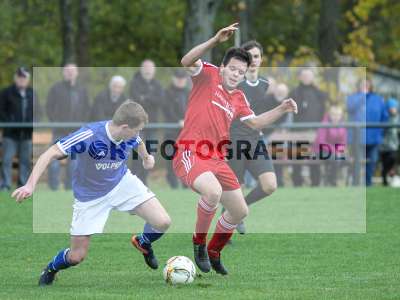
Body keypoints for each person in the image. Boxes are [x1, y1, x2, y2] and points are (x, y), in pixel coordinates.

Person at [173, 23, 297, 275]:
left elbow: (256, 123)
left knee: (240, 210)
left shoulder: (239, 98)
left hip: (217, 159)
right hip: (191, 151)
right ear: (223, 67)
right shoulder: (207, 75)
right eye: (232, 69)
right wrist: (215, 40)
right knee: (213, 192)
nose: (236, 74)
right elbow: (186, 60)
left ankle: (214, 251)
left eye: (241, 72)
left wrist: (282, 109)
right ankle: (199, 243)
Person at [12, 100, 171, 286]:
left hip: (121, 183)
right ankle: (51, 268)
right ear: (125, 126)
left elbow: (139, 142)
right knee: (76, 257)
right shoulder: (89, 135)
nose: (138, 134)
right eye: (137, 130)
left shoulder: (129, 135)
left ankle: (143, 242)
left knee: (163, 222)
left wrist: (146, 158)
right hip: (90, 197)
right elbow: (50, 153)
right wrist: (30, 185)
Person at [226, 40, 277, 234]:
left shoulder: (265, 84)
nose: (253, 60)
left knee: (269, 185)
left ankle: (239, 210)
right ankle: (226, 226)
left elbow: (264, 114)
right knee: (234, 190)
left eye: (256, 56)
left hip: (256, 141)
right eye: (249, 56)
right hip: (234, 141)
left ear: (261, 59)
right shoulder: (235, 83)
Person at [46, 63, 90, 190]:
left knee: (75, 163)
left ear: (77, 73)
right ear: (63, 73)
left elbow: (87, 109)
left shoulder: (82, 90)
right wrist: (55, 121)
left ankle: (70, 188)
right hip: (59, 132)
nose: (70, 73)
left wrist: (82, 126)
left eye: (72, 71)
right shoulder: (56, 88)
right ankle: (53, 188)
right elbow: (49, 108)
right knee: (54, 161)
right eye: (67, 71)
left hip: (76, 134)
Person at [0, 67, 41, 191]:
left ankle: (23, 185)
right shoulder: (6, 92)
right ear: (15, 78)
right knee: (7, 160)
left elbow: (38, 112)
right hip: (10, 134)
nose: (21, 79)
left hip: (27, 135)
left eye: (24, 77)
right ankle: (6, 185)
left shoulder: (32, 93)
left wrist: (33, 123)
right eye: (19, 77)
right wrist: (11, 122)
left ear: (28, 79)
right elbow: (1, 111)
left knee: (25, 161)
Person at [289, 68, 328, 186]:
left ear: (313, 78)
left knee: (314, 159)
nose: (306, 78)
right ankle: (297, 184)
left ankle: (315, 184)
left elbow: (324, 112)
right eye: (304, 76)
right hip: (298, 132)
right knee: (297, 160)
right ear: (300, 77)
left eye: (309, 76)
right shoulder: (294, 93)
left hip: (315, 132)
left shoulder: (319, 93)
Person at [129, 59, 164, 185]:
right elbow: (137, 99)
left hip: (152, 125)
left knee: (150, 153)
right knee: (137, 152)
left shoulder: (157, 85)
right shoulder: (135, 83)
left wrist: (145, 97)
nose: (148, 70)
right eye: (146, 67)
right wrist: (149, 99)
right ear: (141, 69)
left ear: (154, 70)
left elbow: (160, 100)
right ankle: (134, 180)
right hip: (137, 125)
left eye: (150, 68)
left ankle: (144, 181)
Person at [347, 79, 388, 186]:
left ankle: (368, 184)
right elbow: (350, 108)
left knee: (372, 161)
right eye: (362, 84)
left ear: (370, 86)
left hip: (374, 137)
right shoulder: (352, 98)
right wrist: (362, 96)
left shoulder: (378, 99)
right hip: (357, 137)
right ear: (358, 86)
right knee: (357, 162)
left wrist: (381, 132)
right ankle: (355, 184)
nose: (364, 86)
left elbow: (384, 117)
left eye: (367, 84)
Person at [163, 69, 189, 188]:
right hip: (171, 131)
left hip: (186, 131)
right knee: (171, 157)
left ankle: (186, 183)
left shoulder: (189, 92)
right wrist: (178, 120)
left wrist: (187, 121)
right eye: (178, 78)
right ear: (174, 79)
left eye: (182, 79)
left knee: (186, 157)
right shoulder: (167, 92)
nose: (180, 81)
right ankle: (173, 183)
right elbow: (167, 109)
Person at [312, 105, 347, 186]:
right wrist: (335, 151)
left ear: (341, 115)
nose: (336, 117)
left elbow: (343, 142)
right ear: (330, 114)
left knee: (345, 159)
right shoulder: (324, 124)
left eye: (338, 115)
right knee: (334, 158)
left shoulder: (343, 125)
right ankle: (332, 181)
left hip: (335, 152)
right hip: (320, 150)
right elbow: (321, 142)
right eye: (334, 114)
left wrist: (339, 151)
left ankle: (332, 179)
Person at [380, 98, 399, 186]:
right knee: (384, 164)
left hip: (394, 146)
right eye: (390, 107)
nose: (392, 109)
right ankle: (385, 181)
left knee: (392, 159)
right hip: (383, 146)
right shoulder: (385, 117)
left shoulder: (398, 119)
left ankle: (392, 176)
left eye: (394, 107)